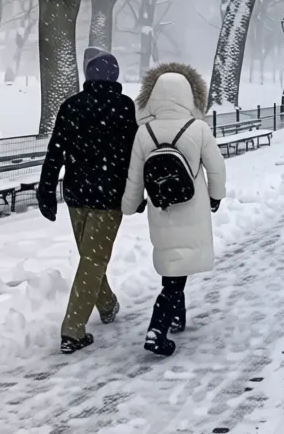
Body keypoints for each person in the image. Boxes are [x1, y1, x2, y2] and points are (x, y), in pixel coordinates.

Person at [36, 47, 138, 354]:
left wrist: (46, 190)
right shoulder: (124, 107)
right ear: (115, 76)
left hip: (77, 195)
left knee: (90, 258)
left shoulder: (72, 106)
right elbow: (135, 156)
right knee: (93, 259)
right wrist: (136, 192)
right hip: (109, 197)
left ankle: (105, 305)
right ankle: (73, 330)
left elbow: (55, 151)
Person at [122, 63, 227, 357]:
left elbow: (135, 176)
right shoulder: (199, 129)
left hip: (162, 208)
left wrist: (130, 205)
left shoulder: (144, 133)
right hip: (192, 207)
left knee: (172, 260)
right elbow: (216, 168)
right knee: (176, 273)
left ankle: (177, 317)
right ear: (187, 96)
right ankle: (157, 329)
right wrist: (215, 197)